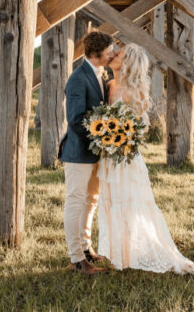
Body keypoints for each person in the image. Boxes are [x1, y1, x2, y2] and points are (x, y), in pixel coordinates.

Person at [98, 43, 194, 278]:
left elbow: (143, 126)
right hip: (109, 156)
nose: (113, 55)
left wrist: (123, 138)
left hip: (126, 156)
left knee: (130, 203)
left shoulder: (133, 90)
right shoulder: (109, 85)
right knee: (113, 201)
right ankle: (120, 254)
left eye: (118, 54)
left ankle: (140, 253)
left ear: (128, 62)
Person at [59, 31, 116, 276]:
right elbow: (75, 119)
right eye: (109, 51)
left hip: (95, 153)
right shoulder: (77, 78)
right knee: (75, 201)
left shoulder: (100, 75)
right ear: (96, 54)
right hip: (78, 151)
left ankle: (86, 249)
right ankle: (76, 259)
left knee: (90, 201)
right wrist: (104, 136)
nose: (112, 55)